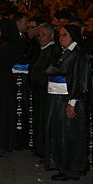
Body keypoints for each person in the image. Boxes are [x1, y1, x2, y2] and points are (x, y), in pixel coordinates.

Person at [45, 24, 90, 180]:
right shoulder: (66, 52)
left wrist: (73, 101)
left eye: (65, 34)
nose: (61, 37)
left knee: (70, 134)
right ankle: (64, 165)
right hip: (61, 97)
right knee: (62, 133)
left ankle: (71, 169)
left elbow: (80, 79)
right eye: (60, 34)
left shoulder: (78, 54)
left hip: (70, 99)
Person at [0, 18, 23, 157]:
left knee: (3, 112)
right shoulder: (0, 44)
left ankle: (2, 144)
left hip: (4, 82)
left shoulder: (10, 46)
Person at [29, 22, 62, 158]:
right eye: (39, 35)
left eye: (44, 35)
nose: (40, 38)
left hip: (46, 92)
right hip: (39, 91)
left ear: (52, 36)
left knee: (45, 121)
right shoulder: (42, 50)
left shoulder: (53, 50)